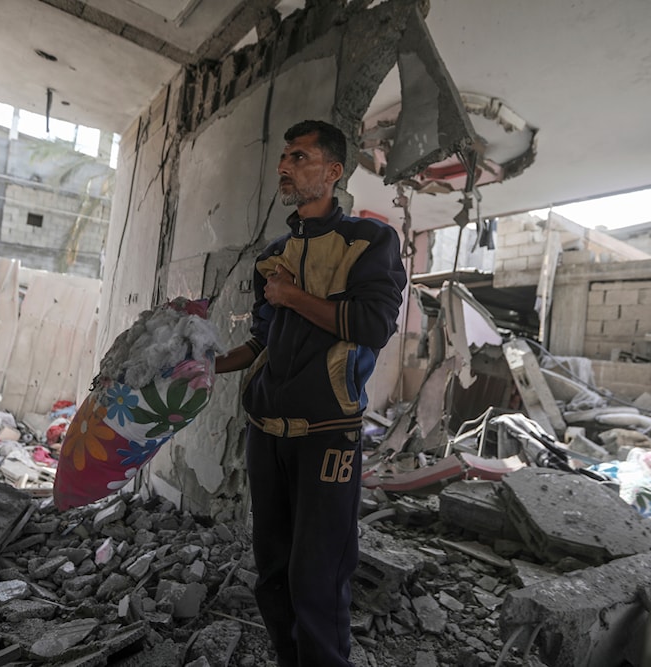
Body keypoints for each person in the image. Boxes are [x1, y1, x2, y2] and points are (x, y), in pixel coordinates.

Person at [215, 119, 407, 666]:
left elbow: (372, 324)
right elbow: (262, 338)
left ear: (332, 171)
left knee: (316, 576)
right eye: (285, 159)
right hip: (266, 432)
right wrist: (206, 367)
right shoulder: (274, 254)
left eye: (300, 158)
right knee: (272, 568)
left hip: (328, 436)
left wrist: (293, 296)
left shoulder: (370, 241)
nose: (285, 167)